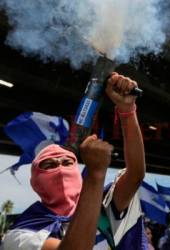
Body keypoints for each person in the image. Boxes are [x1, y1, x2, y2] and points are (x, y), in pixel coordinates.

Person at [0, 73, 147, 250]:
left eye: (67, 162)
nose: (60, 169)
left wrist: (127, 110)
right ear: (35, 183)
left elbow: (135, 175)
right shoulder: (19, 236)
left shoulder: (100, 205)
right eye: (49, 165)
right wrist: (95, 174)